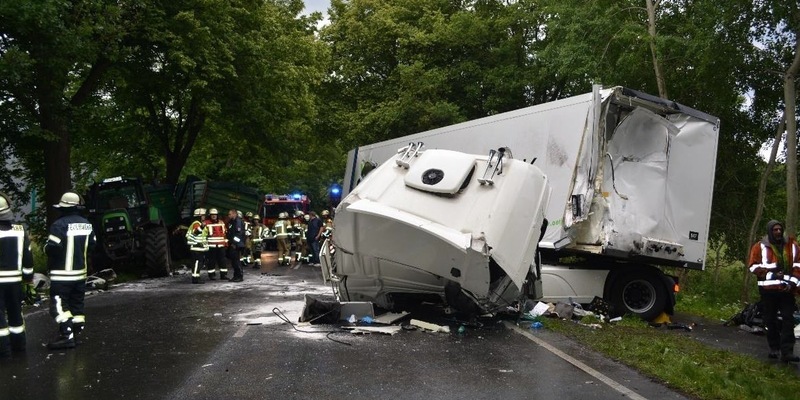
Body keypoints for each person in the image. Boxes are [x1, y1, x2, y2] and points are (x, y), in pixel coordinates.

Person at [44, 192, 96, 350]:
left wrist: (45, 249)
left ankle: (67, 335)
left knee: (58, 306)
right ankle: (75, 334)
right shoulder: (87, 224)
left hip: (62, 276)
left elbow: (52, 247)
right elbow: (92, 245)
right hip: (80, 274)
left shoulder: (59, 225)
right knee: (76, 305)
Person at [748, 220, 800, 363]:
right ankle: (774, 348)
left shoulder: (793, 246)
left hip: (786, 290)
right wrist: (770, 273)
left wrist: (792, 283)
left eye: (779, 229)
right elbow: (752, 267)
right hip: (768, 290)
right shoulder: (759, 247)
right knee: (770, 320)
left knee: (788, 319)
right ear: (770, 231)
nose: (778, 232)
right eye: (775, 230)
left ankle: (787, 352)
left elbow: (798, 267)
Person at [0, 192, 34, 358]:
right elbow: (27, 257)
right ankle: (19, 345)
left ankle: (3, 349)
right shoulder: (20, 230)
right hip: (15, 282)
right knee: (15, 312)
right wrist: (28, 279)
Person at [186, 208, 208, 284]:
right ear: (199, 215)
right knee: (196, 263)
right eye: (203, 215)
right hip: (196, 248)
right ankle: (195, 278)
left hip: (199, 248)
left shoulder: (198, 223)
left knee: (199, 263)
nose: (204, 217)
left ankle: (197, 277)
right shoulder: (196, 223)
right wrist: (202, 226)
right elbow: (196, 232)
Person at [204, 208, 228, 280]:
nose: (214, 216)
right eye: (212, 215)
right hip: (211, 246)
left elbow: (224, 234)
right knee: (211, 261)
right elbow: (204, 235)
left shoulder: (221, 222)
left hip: (221, 245)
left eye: (215, 215)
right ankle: (211, 275)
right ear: (210, 216)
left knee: (222, 260)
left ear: (217, 215)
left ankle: (223, 275)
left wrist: (226, 244)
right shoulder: (206, 223)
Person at [226, 209, 245, 282]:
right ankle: (236, 276)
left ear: (234, 214)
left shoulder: (238, 222)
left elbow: (238, 235)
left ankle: (239, 276)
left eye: (230, 214)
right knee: (234, 261)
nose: (229, 215)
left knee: (236, 261)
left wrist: (234, 243)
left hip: (236, 245)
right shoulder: (232, 222)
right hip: (234, 244)